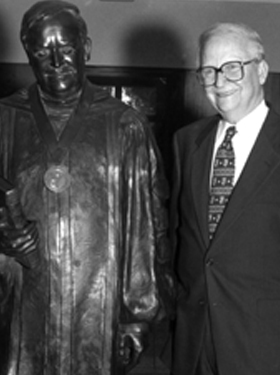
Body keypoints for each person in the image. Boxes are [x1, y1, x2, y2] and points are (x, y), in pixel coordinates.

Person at [0, 1, 174, 374]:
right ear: (28, 54)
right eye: (43, 50)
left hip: (97, 305)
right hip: (22, 303)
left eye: (66, 47)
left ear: (87, 49)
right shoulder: (5, 120)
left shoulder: (124, 126)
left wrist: (136, 313)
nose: (57, 60)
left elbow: (144, 225)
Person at [170, 22, 280, 375]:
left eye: (232, 67)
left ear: (261, 71)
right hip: (193, 340)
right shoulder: (186, 142)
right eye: (208, 71)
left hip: (263, 344)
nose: (219, 82)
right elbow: (177, 236)